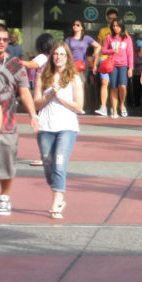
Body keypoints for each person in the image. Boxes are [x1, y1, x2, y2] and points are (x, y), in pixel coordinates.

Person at [0, 23, 38, 216]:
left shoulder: (15, 64)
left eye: (4, 39)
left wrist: (33, 114)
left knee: (6, 164)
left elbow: (24, 93)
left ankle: (4, 196)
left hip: (7, 122)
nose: (1, 42)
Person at [33, 43, 83, 219]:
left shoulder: (74, 78)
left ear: (67, 57)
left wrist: (60, 97)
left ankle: (55, 202)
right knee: (48, 164)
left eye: (62, 54)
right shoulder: (42, 77)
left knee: (60, 163)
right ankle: (57, 189)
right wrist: (49, 95)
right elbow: (36, 104)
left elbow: (79, 106)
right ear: (51, 56)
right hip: (46, 126)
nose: (58, 57)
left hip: (67, 127)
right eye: (55, 54)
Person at [65, 19, 101, 114]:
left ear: (82, 27)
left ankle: (80, 106)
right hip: (71, 65)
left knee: (81, 85)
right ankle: (72, 105)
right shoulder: (68, 40)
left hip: (81, 65)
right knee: (71, 85)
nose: (75, 26)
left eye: (78, 25)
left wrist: (94, 55)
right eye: (74, 25)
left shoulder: (86, 38)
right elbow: (64, 51)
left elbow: (98, 46)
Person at [100, 18, 134, 118]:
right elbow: (104, 50)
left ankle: (122, 104)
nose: (115, 28)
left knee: (123, 86)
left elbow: (130, 54)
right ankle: (114, 110)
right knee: (113, 87)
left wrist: (130, 68)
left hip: (123, 65)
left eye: (117, 26)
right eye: (114, 26)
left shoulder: (127, 38)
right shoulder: (109, 37)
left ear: (122, 27)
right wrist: (112, 51)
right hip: (112, 64)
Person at [95, 8, 122, 116]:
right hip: (105, 59)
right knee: (104, 82)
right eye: (110, 18)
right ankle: (103, 107)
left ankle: (114, 107)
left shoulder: (122, 31)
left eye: (114, 19)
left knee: (115, 85)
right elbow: (99, 47)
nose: (112, 21)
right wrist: (96, 62)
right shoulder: (103, 31)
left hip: (117, 60)